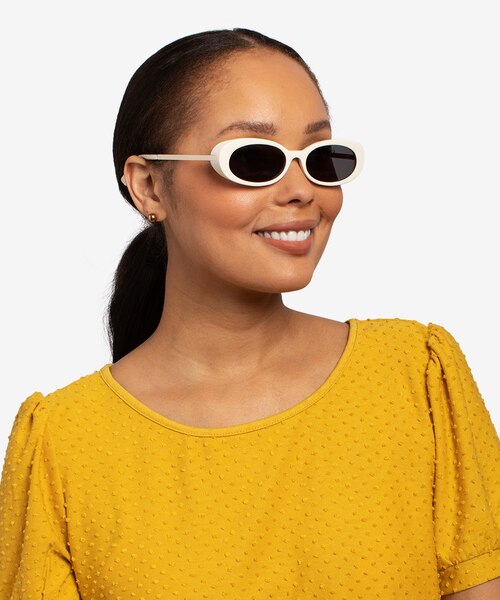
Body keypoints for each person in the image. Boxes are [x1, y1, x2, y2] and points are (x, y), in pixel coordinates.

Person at [0, 28, 498, 600]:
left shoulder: (416, 377)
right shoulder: (63, 444)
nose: (302, 191)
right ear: (149, 187)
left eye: (320, 158)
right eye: (254, 160)